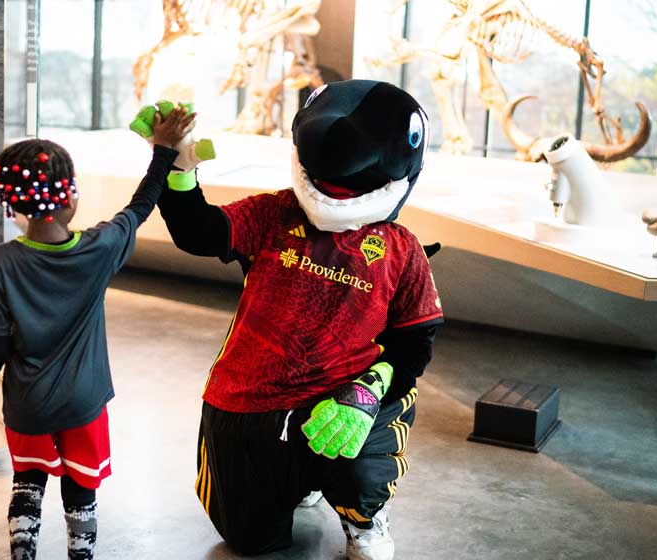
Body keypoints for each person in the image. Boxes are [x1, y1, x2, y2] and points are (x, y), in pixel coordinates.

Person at [154, 80, 443, 560]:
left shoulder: (401, 249)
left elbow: (415, 341)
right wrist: (179, 172)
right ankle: (297, 480)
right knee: (246, 540)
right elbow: (199, 232)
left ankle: (363, 514)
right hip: (249, 395)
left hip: (340, 398)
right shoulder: (273, 213)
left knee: (357, 461)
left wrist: (368, 389)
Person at [0, 108, 197, 560]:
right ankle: (81, 555)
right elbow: (141, 207)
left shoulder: (0, 262)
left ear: (12, 204)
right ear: (71, 198)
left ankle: (22, 553)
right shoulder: (99, 249)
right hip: (84, 402)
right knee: (81, 490)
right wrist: (162, 152)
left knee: (27, 483)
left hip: (27, 405)